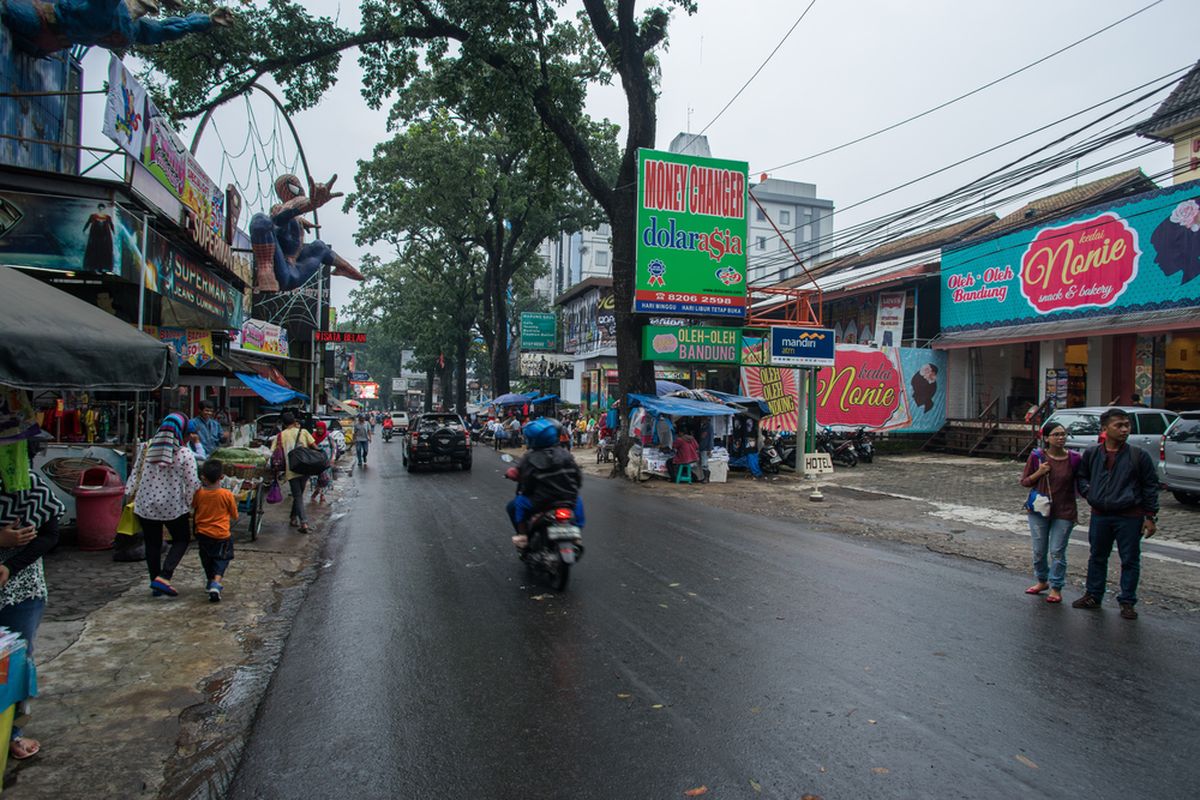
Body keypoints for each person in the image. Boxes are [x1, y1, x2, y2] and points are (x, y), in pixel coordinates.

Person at [0, 434, 64, 762]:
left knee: (15, 665)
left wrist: (10, 567)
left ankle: (12, 734)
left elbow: (51, 534)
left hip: (22, 591)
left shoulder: (30, 484)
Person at [1072, 408, 1160, 619]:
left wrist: (1149, 516)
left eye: (1126, 425)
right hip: (1100, 514)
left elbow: (1150, 486)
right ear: (1105, 429)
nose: (1124, 430)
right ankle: (1093, 595)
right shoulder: (1093, 453)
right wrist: (1089, 492)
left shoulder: (1139, 456)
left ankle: (1127, 601)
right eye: (1118, 425)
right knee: (1097, 556)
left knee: (1130, 559)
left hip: (1130, 515)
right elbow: (1081, 477)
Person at [127, 412, 201, 597]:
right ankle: (165, 575)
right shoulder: (184, 453)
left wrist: (127, 495)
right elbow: (192, 483)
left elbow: (135, 473)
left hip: (146, 504)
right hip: (173, 506)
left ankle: (155, 582)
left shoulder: (146, 447)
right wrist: (191, 503)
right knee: (182, 539)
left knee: (152, 544)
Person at [1019, 421, 1082, 603]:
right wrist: (1039, 472)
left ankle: (1056, 586)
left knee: (1057, 551)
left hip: (1065, 510)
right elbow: (1025, 482)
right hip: (1039, 510)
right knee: (1039, 550)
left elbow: (1082, 481)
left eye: (1063, 434)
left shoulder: (1074, 459)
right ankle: (1041, 580)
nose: (1061, 438)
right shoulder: (1038, 457)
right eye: (1056, 434)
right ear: (1046, 438)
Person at [506, 418, 585, 550]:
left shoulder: (530, 458)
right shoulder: (566, 454)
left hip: (542, 502)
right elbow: (578, 479)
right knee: (579, 500)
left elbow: (527, 483)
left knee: (517, 503)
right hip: (567, 500)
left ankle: (523, 536)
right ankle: (577, 533)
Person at [193, 459, 237, 602]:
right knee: (222, 558)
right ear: (222, 477)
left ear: (203, 477)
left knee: (206, 558)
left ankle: (209, 580)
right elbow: (234, 514)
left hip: (203, 533)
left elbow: (194, 507)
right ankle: (216, 583)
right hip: (222, 533)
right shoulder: (226, 494)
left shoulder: (199, 493)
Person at [275, 412, 318, 533]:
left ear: (283, 424)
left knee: (297, 495)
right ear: (294, 422)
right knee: (298, 495)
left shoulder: (280, 436)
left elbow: (274, 452)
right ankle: (301, 521)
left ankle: (297, 519)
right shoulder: (303, 432)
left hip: (291, 469)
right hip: (305, 468)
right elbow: (314, 446)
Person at [310, 421, 334, 504]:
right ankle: (316, 493)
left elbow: (333, 447)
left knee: (324, 479)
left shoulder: (328, 436)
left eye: (321, 429)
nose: (320, 431)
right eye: (318, 429)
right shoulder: (312, 436)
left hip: (326, 462)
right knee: (316, 479)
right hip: (316, 462)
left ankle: (322, 494)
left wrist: (332, 458)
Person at [696, 417, 714, 483]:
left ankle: (706, 478)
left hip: (706, 448)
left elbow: (711, 438)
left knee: (704, 464)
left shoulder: (709, 427)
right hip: (701, 447)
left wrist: (709, 449)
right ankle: (705, 477)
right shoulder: (702, 426)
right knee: (702, 463)